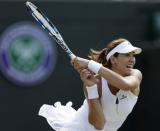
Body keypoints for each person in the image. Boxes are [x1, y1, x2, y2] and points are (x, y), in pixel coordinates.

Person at [38, 38, 142, 131]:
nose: (132, 59)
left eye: (133, 55)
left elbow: (125, 85)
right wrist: (91, 87)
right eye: (127, 55)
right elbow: (99, 125)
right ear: (113, 59)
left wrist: (89, 64)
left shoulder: (135, 74)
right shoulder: (96, 82)